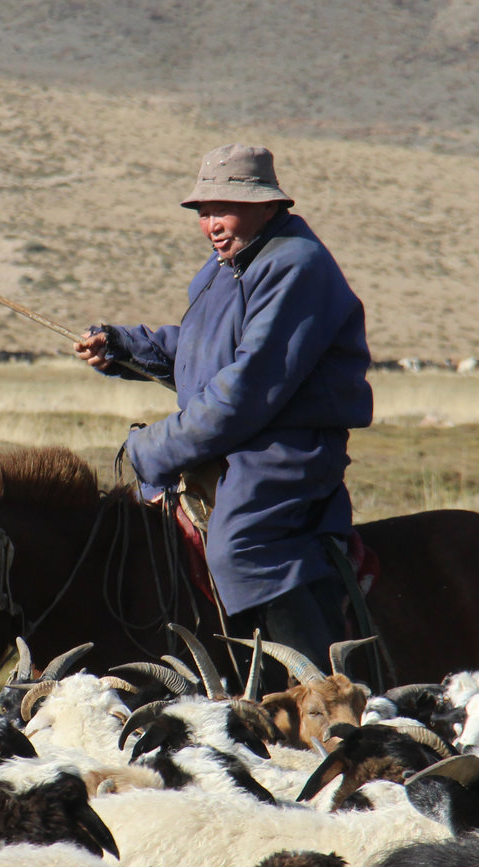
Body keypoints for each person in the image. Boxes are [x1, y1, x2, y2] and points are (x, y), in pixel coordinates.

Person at [75, 143, 375, 674]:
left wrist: (154, 447)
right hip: (241, 435)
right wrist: (123, 346)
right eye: (204, 211)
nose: (212, 224)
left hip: (284, 446)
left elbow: (247, 388)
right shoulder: (228, 264)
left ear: (267, 205)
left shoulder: (294, 265)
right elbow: (201, 350)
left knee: (242, 547)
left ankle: (320, 687)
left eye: (225, 209)